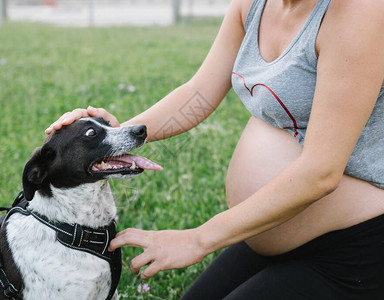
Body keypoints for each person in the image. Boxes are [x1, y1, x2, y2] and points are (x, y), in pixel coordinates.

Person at [45, 0, 384, 298]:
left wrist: (198, 239)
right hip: (267, 230)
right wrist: (115, 137)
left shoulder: (359, 10)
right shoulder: (254, 5)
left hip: (354, 249)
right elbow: (200, 93)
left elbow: (320, 173)